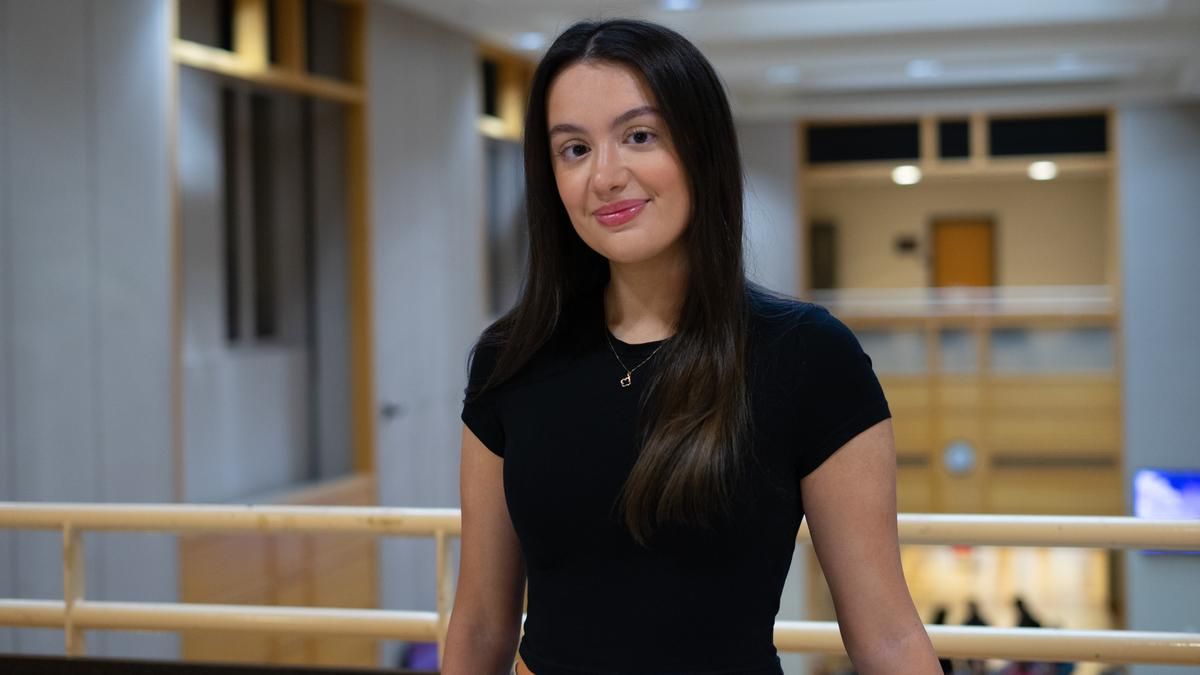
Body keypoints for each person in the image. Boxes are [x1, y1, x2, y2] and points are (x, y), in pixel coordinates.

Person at [442, 18, 940, 675]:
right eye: (574, 149)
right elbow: (480, 624)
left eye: (639, 136)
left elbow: (887, 637)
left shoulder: (808, 357)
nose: (606, 176)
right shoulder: (512, 360)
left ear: (701, 148)